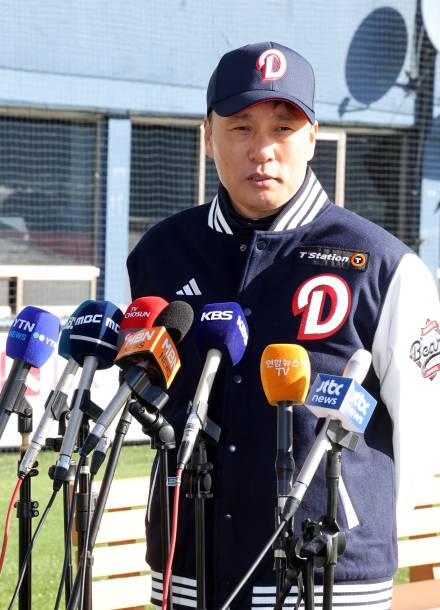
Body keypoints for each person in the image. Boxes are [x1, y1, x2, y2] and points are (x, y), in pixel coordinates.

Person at [127, 41, 440, 610]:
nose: (262, 151)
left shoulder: (385, 265)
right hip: (187, 564)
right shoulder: (160, 253)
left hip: (329, 578)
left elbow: (426, 432)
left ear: (313, 138)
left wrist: (354, 526)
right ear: (207, 137)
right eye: (241, 128)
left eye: (282, 128)